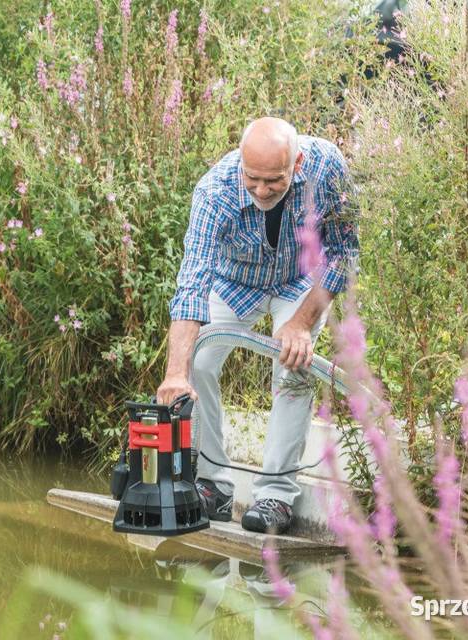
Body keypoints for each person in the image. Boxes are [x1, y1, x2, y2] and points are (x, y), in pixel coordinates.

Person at [155, 117, 359, 534]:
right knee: (197, 361)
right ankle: (214, 484)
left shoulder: (327, 167)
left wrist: (302, 323)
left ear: (296, 162)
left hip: (300, 281)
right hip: (235, 282)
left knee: (294, 369)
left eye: (274, 181)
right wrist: (175, 373)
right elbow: (192, 284)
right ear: (240, 164)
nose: (262, 190)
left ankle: (275, 496)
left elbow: (342, 253)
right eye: (253, 179)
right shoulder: (214, 192)